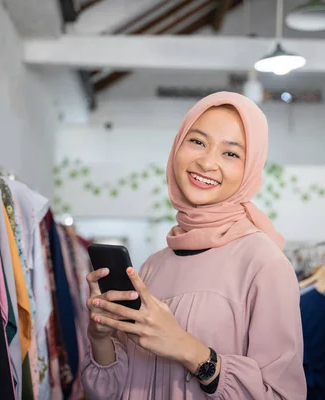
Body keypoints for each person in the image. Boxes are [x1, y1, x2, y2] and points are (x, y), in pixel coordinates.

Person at [81, 92, 306, 399]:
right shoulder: (152, 267)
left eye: (231, 154)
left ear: (249, 170)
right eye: (197, 142)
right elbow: (115, 391)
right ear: (177, 146)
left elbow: (282, 394)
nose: (207, 162)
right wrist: (101, 339)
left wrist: (192, 352)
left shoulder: (264, 264)